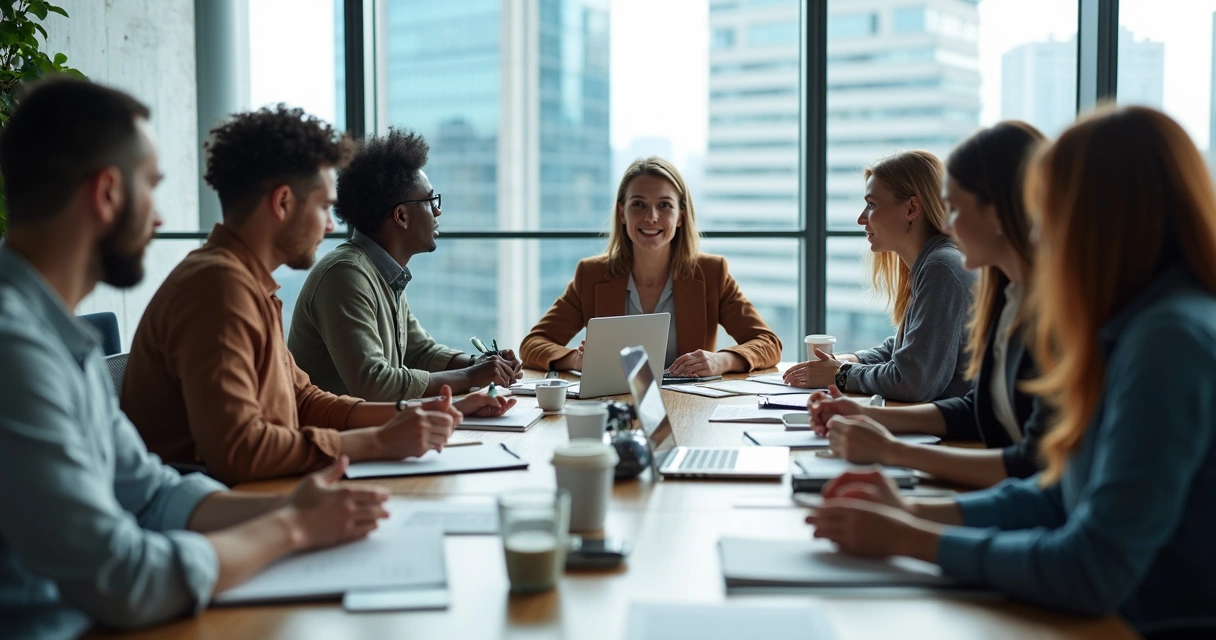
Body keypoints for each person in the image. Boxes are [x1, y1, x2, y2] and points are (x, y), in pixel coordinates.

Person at [0, 78, 392, 638]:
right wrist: (291, 528)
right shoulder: (16, 351)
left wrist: (301, 509)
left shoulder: (64, 342)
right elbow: (123, 579)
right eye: (151, 188)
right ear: (108, 194)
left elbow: (153, 493)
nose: (160, 217)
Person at [807, 106, 1216, 636]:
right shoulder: (1141, 322)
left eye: (1047, 210)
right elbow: (1057, 495)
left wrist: (911, 537)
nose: (1039, 232)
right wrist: (908, 512)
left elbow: (1092, 568)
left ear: (1103, 215)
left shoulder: (1169, 340)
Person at [122, 106, 512, 486]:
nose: (330, 225)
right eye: (325, 207)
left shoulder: (248, 283)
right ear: (283, 203)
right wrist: (377, 441)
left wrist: (436, 409)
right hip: (215, 504)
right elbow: (241, 451)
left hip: (258, 488)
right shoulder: (218, 288)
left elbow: (305, 401)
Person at [807, 122, 1050, 488]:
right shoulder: (1005, 295)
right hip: (986, 473)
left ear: (996, 212)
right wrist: (863, 410)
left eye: (954, 209)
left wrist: (847, 383)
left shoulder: (946, 267)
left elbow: (1033, 468)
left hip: (991, 479)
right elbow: (977, 407)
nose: (947, 226)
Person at [288, 127, 522, 401]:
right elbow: (374, 383)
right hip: (336, 438)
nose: (438, 211)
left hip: (374, 432)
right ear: (401, 216)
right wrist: (472, 377)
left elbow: (419, 351)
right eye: (430, 200)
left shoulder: (383, 271)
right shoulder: (345, 275)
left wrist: (480, 363)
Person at [520, 156, 781, 376]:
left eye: (664, 205)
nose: (651, 217)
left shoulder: (712, 274)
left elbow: (768, 343)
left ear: (681, 216)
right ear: (622, 213)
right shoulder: (591, 275)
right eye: (639, 204)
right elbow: (533, 344)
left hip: (691, 407)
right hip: (616, 405)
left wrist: (720, 361)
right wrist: (576, 360)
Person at [783, 150, 974, 403]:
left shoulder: (941, 267)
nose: (861, 218)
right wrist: (852, 360)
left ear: (912, 208)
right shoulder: (933, 263)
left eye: (872, 204)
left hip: (962, 440)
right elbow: (908, 349)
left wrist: (840, 374)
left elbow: (911, 381)